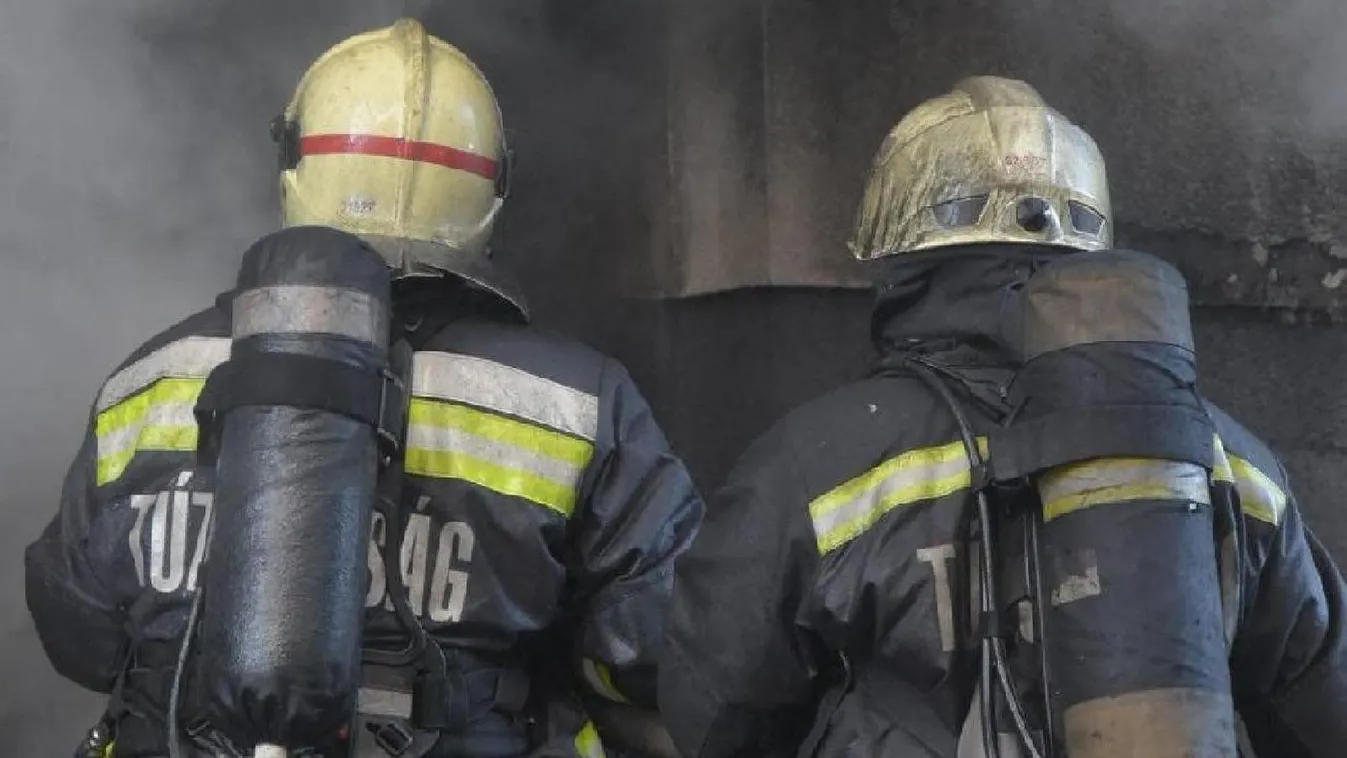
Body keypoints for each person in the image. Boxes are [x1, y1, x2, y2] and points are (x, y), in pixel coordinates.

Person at [25, 18, 703, 758]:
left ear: (295, 165)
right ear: (488, 186)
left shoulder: (147, 381)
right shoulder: (579, 404)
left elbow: (79, 632)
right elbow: (655, 649)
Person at [658, 75, 1347, 758]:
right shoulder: (1228, 459)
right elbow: (1323, 708)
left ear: (900, 254)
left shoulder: (816, 460)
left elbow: (715, 710)